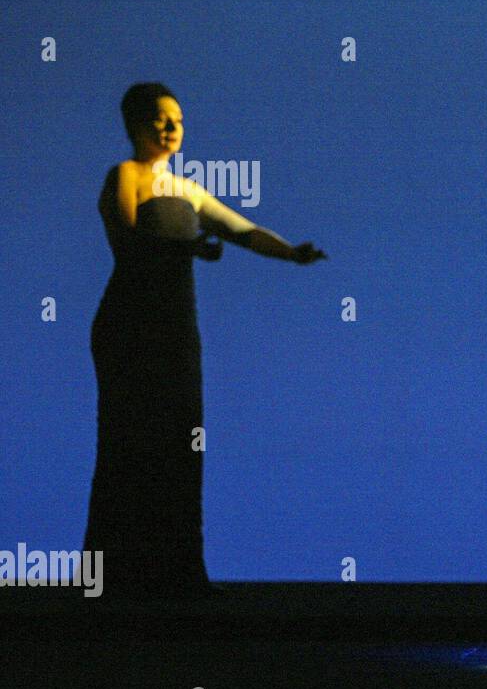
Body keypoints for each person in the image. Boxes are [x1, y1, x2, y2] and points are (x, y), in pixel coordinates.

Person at [84, 83, 326, 600]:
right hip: (131, 323)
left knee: (181, 440)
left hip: (176, 328)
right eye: (160, 119)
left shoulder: (187, 189)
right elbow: (125, 240)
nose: (171, 129)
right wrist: (189, 247)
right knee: (128, 440)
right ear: (134, 125)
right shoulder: (125, 176)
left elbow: (242, 230)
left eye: (178, 120)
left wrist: (291, 253)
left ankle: (179, 573)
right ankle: (114, 580)